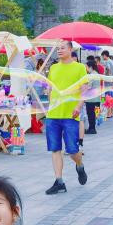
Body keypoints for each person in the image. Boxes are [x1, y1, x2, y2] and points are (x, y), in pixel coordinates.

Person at [44, 41, 88, 195]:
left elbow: (84, 91)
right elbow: (50, 88)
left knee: (72, 150)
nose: (59, 50)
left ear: (71, 49)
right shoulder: (54, 68)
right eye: (58, 48)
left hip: (70, 115)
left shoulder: (80, 68)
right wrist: (50, 104)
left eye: (62, 48)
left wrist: (78, 106)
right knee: (55, 149)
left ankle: (80, 165)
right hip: (53, 115)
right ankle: (59, 181)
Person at [83, 56, 103, 135]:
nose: (86, 69)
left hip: (91, 99)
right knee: (95, 113)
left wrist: (83, 87)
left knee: (90, 114)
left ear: (90, 67)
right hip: (97, 98)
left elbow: (89, 87)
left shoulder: (91, 75)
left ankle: (92, 129)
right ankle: (93, 127)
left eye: (86, 67)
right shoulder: (97, 74)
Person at [100, 50, 113, 120]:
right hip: (112, 82)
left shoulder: (107, 62)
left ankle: (108, 114)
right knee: (111, 97)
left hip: (108, 82)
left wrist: (105, 74)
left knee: (107, 98)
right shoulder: (112, 61)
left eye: (102, 56)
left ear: (105, 55)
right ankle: (111, 113)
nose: (102, 57)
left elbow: (107, 70)